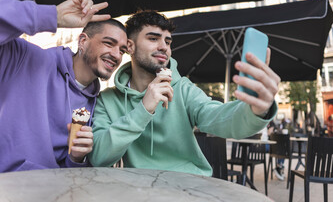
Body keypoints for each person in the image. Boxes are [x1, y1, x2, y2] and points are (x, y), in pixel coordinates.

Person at [89, 10, 280, 176]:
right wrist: (144, 109)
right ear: (130, 46)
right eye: (153, 38)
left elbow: (218, 117)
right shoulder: (107, 100)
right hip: (141, 189)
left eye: (168, 41)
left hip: (190, 185)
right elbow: (99, 157)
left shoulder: (183, 88)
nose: (164, 46)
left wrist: (256, 110)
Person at [0, 0, 128, 172]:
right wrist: (53, 16)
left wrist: (76, 158)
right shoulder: (26, 58)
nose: (117, 55)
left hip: (53, 192)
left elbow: (68, 171)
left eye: (122, 50)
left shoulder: (96, 106)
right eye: (109, 43)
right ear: (83, 41)